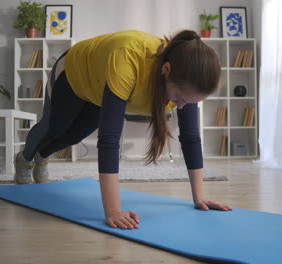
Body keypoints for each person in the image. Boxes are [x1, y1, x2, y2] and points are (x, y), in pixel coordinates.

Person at [14, 29, 233, 230]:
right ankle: (25, 159)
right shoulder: (128, 59)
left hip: (100, 87)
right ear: (166, 70)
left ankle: (42, 156)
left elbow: (191, 137)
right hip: (75, 72)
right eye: (178, 99)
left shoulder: (186, 80)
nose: (182, 106)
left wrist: (199, 198)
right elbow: (109, 138)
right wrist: (113, 211)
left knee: (74, 135)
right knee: (54, 129)